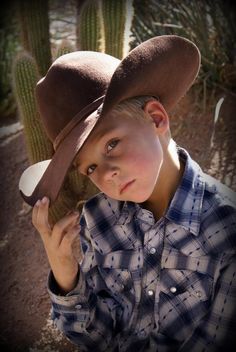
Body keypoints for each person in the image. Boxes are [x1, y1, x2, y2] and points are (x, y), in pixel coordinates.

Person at [19, 35, 236, 351]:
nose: (105, 174)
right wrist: (66, 273)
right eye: (89, 168)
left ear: (156, 118)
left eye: (111, 144)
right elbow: (97, 336)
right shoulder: (98, 220)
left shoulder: (226, 232)